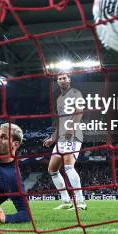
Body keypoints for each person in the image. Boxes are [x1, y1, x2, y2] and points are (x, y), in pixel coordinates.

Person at [42, 73, 86, 210]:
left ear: (69, 80)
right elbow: (60, 121)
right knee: (52, 169)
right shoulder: (59, 99)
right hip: (61, 138)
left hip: (72, 135)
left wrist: (70, 129)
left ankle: (80, 202)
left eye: (64, 78)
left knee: (68, 167)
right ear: (57, 81)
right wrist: (53, 138)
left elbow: (79, 111)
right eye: (59, 78)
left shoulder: (75, 93)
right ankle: (66, 201)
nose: (62, 80)